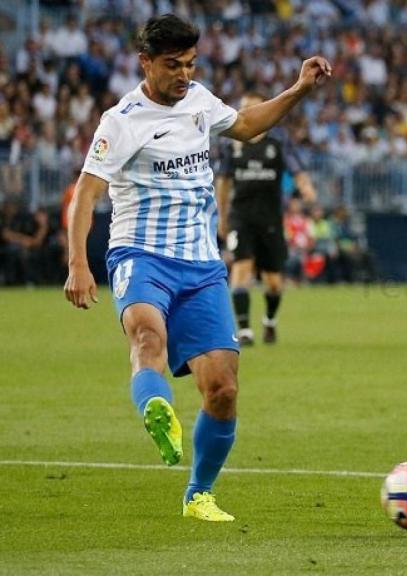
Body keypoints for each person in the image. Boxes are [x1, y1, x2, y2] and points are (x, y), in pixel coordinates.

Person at [63, 14, 331, 522]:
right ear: (145, 62)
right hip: (140, 255)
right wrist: (79, 263)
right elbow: (86, 194)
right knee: (147, 337)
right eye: (173, 65)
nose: (184, 74)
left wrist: (298, 89)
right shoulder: (121, 121)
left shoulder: (201, 101)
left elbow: (248, 126)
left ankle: (198, 495)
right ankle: (155, 408)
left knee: (224, 389)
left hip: (202, 265)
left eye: (190, 64)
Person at [215, 93, 317, 346]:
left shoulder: (277, 143)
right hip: (241, 217)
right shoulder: (232, 146)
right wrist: (222, 216)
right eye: (243, 108)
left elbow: (297, 169)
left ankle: (269, 321)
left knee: (273, 283)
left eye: (251, 108)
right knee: (241, 270)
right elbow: (224, 183)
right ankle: (245, 330)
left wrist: (306, 187)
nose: (246, 112)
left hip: (270, 220)